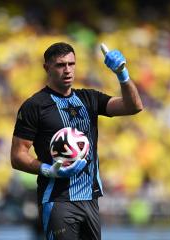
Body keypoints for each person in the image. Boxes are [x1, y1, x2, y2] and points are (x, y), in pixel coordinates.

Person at [11, 42, 143, 240]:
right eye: (60, 65)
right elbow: (17, 155)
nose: (67, 70)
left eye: (71, 64)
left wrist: (122, 74)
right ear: (47, 67)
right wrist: (50, 170)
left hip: (90, 199)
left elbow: (133, 106)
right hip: (57, 201)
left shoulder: (89, 98)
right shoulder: (34, 106)